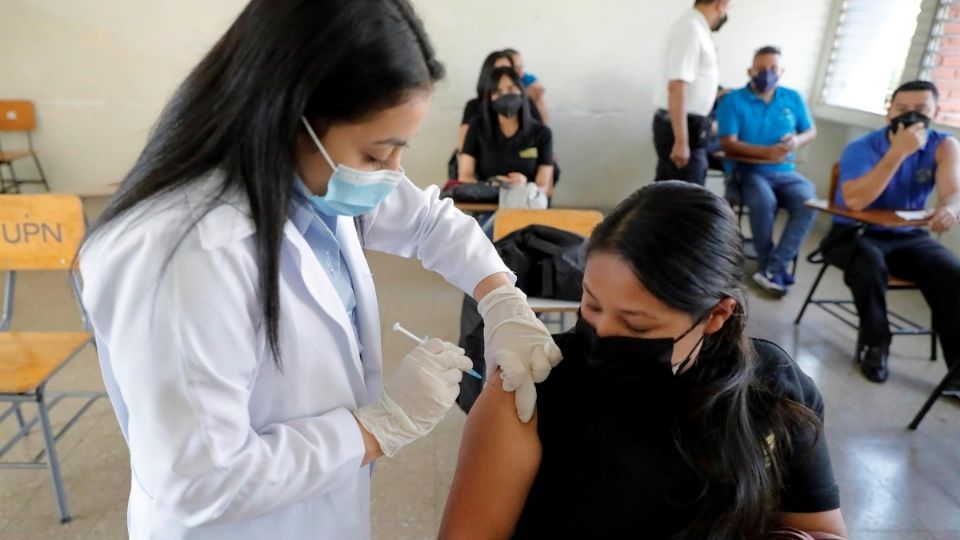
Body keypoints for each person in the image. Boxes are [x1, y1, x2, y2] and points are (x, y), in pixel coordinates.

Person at [78, 1, 561, 538]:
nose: (391, 174)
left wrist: (500, 299)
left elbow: (428, 221)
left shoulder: (309, 179)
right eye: (378, 156)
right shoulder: (182, 255)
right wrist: (376, 428)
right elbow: (200, 482)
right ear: (291, 116)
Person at [441, 182, 847, 539]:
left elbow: (821, 529)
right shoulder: (534, 386)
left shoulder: (773, 385)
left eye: (636, 325)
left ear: (716, 316)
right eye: (592, 305)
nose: (602, 335)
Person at [822, 80, 960, 390]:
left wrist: (951, 208)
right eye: (902, 110)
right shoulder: (862, 147)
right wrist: (897, 154)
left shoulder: (944, 145)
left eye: (921, 110)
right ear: (889, 113)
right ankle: (876, 344)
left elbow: (953, 193)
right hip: (854, 233)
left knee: (951, 273)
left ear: (935, 113)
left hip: (907, 236)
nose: (911, 117)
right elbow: (856, 201)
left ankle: (957, 371)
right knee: (869, 265)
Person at [717, 46, 818, 296]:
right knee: (763, 202)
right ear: (750, 70)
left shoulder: (792, 98)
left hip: (786, 172)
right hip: (748, 171)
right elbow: (728, 143)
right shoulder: (733, 100)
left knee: (808, 200)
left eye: (773, 68)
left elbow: (810, 131)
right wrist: (766, 153)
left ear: (781, 71)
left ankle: (775, 266)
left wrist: (796, 141)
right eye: (761, 68)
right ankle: (765, 261)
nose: (767, 73)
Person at [653, 0, 731, 186]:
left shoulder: (696, 28)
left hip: (689, 126)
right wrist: (681, 141)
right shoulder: (691, 30)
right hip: (683, 127)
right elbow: (677, 86)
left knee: (670, 197)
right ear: (721, 4)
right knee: (685, 201)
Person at [459, 66, 555, 199]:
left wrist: (525, 186)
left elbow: (545, 188)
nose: (505, 96)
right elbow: (464, 177)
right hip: (485, 206)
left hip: (525, 205)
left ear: (521, 92)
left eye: (511, 89)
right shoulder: (477, 126)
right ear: (490, 98)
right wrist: (491, 184)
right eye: (498, 92)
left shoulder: (542, 133)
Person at [504, 48, 550, 124]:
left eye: (521, 67)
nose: (521, 72)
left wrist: (538, 98)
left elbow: (544, 120)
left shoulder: (529, 80)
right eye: (516, 68)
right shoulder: (498, 83)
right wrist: (524, 95)